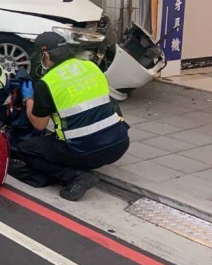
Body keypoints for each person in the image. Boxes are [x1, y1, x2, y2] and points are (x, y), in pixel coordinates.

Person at [18, 32, 130, 201]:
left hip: (83, 151)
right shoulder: (92, 67)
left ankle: (75, 176)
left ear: (46, 55)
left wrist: (28, 99)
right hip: (119, 144)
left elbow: (39, 125)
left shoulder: (48, 82)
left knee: (27, 149)